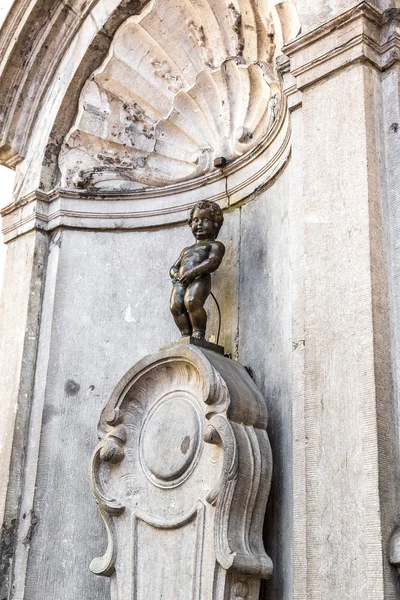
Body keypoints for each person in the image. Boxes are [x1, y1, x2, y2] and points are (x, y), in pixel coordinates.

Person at [169, 200, 225, 339]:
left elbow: (213, 262)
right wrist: (175, 274)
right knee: (175, 306)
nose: (199, 224)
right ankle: (185, 335)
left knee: (192, 301)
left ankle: (198, 332)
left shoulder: (215, 245)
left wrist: (193, 273)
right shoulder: (186, 250)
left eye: (205, 220)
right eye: (195, 220)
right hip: (181, 281)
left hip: (199, 278)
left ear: (215, 224)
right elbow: (174, 266)